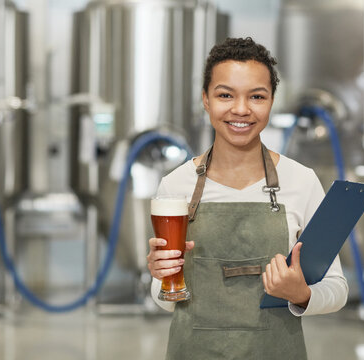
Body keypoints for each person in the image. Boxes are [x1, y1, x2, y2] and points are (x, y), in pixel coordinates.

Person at [146, 37, 348, 359]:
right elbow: (163, 299)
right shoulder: (176, 185)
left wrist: (302, 294)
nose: (241, 109)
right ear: (206, 100)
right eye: (225, 95)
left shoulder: (301, 181)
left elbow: (337, 289)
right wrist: (160, 278)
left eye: (256, 96)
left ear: (271, 101)